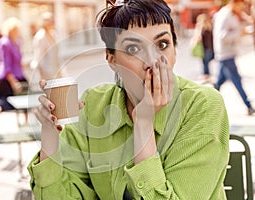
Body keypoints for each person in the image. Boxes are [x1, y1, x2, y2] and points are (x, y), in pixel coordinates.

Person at [28, 0, 229, 199]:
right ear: (112, 59)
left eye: (162, 44)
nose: (152, 61)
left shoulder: (203, 105)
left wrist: (144, 124)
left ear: (175, 50)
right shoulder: (94, 105)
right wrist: (50, 140)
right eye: (133, 49)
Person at [212, 0, 255, 115]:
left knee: (219, 82)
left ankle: (208, 103)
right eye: (240, 5)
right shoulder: (224, 15)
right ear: (235, 3)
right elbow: (222, 35)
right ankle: (249, 106)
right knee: (237, 80)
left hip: (228, 53)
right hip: (225, 54)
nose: (241, 8)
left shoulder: (230, 14)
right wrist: (240, 32)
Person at [0, 17, 28, 111]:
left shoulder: (17, 42)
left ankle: (26, 123)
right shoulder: (4, 43)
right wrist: (13, 82)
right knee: (4, 105)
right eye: (16, 30)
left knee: (26, 101)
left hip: (18, 75)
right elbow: (6, 64)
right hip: (7, 78)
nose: (18, 32)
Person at [31, 11, 61, 80]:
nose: (53, 22)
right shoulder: (40, 37)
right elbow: (38, 57)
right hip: (47, 76)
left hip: (56, 73)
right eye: (51, 20)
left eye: (53, 20)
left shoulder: (53, 34)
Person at [192, 13, 215, 83]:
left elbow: (199, 38)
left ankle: (206, 75)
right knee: (207, 62)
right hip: (211, 48)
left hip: (204, 48)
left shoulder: (202, 28)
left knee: (205, 63)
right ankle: (207, 75)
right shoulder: (210, 27)